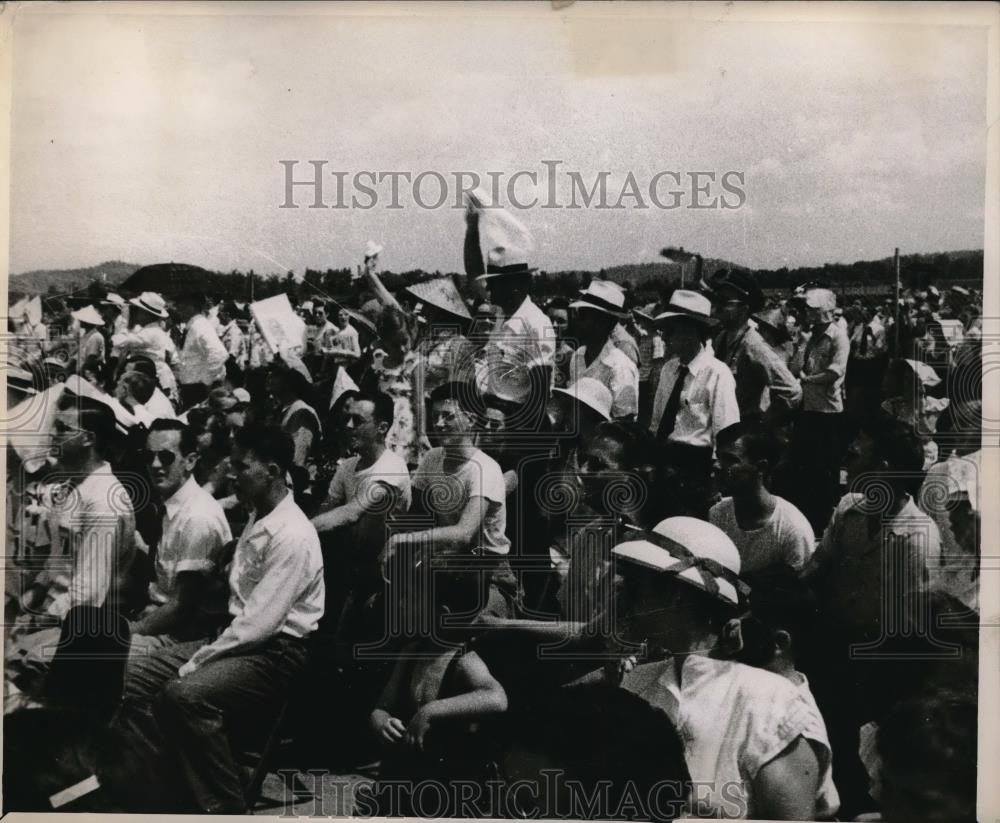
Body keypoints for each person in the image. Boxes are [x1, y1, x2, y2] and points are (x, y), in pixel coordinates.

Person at [117, 425, 324, 814]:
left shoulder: (292, 534)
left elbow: (257, 626)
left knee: (185, 695)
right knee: (126, 677)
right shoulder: (259, 515)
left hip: (274, 654)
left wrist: (197, 661)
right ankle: (165, 788)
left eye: (242, 468)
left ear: (273, 471)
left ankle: (226, 808)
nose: (232, 475)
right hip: (237, 640)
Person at [613, 517, 828, 820]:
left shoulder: (769, 702)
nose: (621, 599)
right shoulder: (634, 685)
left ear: (676, 594)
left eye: (635, 587)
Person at [8, 395, 139, 691]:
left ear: (87, 439)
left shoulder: (104, 500)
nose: (52, 434)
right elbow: (56, 564)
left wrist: (36, 623)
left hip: (84, 629)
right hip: (53, 614)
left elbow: (89, 594)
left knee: (13, 670)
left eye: (62, 428)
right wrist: (31, 600)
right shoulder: (69, 487)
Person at [387, 381, 520, 619]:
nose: (438, 424)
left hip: (485, 575)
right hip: (443, 565)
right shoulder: (432, 457)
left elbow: (464, 533)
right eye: (436, 416)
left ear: (470, 420)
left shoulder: (485, 469)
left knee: (449, 640)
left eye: (447, 416)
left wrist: (402, 539)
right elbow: (415, 516)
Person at [128, 419, 232, 656]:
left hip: (181, 634)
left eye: (165, 457)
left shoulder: (198, 517)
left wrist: (132, 629)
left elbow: (180, 606)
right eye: (148, 456)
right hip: (155, 616)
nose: (154, 465)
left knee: (90, 654)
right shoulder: (172, 505)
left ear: (191, 461)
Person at [650, 289, 739, 517]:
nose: (663, 337)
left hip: (697, 471)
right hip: (666, 465)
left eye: (670, 330)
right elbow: (657, 423)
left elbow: (726, 433)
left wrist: (716, 481)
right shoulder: (669, 370)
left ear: (691, 331)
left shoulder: (717, 374)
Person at [709, 421, 815, 574]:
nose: (717, 466)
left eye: (730, 460)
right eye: (718, 457)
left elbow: (796, 592)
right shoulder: (717, 514)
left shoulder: (792, 530)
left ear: (761, 467)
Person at [788, 287, 850, 532]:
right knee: (806, 466)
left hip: (827, 411)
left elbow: (836, 371)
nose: (807, 313)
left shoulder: (838, 337)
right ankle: (808, 516)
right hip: (807, 408)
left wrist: (807, 380)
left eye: (811, 309)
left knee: (825, 468)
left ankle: (824, 521)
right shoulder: (810, 337)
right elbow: (796, 365)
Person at [712, 271, 801, 421]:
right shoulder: (721, 338)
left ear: (744, 309)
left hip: (742, 429)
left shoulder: (753, 345)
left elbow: (792, 391)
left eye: (725, 301)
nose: (718, 306)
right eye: (718, 299)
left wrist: (763, 422)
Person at [567, 281, 639, 420]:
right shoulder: (578, 356)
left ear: (603, 323)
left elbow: (624, 421)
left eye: (584, 317)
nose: (578, 322)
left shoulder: (620, 367)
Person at [114, 292, 178, 401]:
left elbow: (118, 341)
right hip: (151, 376)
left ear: (146, 314)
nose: (135, 313)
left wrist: (125, 321)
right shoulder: (151, 330)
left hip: (152, 378)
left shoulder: (150, 333)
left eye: (138, 310)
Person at [174, 293, 229, 409]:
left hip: (199, 388)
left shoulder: (200, 326)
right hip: (192, 387)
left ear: (191, 307)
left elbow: (219, 354)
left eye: (180, 306)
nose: (177, 310)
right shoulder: (193, 325)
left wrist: (206, 381)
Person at [266, 358, 321, 468]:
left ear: (291, 380)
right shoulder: (281, 410)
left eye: (277, 374)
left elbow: (297, 459)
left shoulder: (303, 413)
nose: (269, 377)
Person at [72, 305, 107, 370]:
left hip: (89, 372)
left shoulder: (95, 337)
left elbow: (91, 358)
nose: (80, 321)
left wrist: (82, 371)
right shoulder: (85, 335)